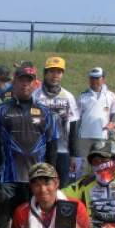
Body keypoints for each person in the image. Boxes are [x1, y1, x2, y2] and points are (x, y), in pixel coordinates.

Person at [0, 65, 57, 211]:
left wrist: (52, 171)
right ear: (14, 83)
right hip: (7, 177)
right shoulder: (0, 110)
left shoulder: (45, 112)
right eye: (21, 80)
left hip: (37, 178)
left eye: (29, 81)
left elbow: (52, 142)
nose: (25, 84)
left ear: (35, 84)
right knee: (5, 218)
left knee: (33, 218)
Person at [10, 163, 90, 228]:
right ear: (31, 187)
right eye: (37, 185)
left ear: (57, 183)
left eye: (47, 183)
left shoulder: (77, 207)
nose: (43, 190)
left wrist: (73, 226)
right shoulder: (21, 212)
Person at [32, 57, 79, 186]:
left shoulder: (68, 97)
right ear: (45, 73)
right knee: (41, 185)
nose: (55, 75)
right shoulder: (35, 96)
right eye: (52, 71)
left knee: (62, 187)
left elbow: (73, 125)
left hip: (62, 151)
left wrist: (73, 154)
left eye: (59, 72)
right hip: (40, 150)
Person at [75, 67, 115, 177]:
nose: (94, 81)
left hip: (102, 135)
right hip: (84, 136)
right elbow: (77, 118)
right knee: (82, 165)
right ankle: (80, 188)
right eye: (92, 78)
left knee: (99, 164)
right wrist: (74, 136)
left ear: (103, 79)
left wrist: (112, 135)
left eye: (97, 78)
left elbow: (114, 116)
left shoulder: (110, 96)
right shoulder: (83, 96)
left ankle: (98, 188)